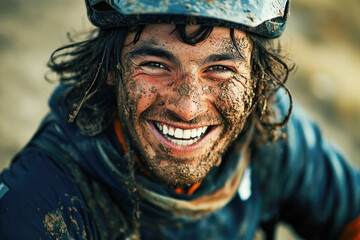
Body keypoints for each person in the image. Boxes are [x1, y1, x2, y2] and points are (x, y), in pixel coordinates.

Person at [0, 0, 359, 239]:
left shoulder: (268, 129)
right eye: (156, 65)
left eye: (219, 69)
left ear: (256, 81)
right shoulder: (43, 202)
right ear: (110, 69)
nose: (188, 108)